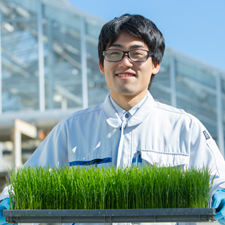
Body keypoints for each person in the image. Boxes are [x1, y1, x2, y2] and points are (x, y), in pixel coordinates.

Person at [1, 14, 225, 225]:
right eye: (115, 53)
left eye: (137, 54)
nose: (125, 63)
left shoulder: (185, 128)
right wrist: (7, 203)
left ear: (155, 64)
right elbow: (25, 186)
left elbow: (219, 183)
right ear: (101, 64)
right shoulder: (72, 129)